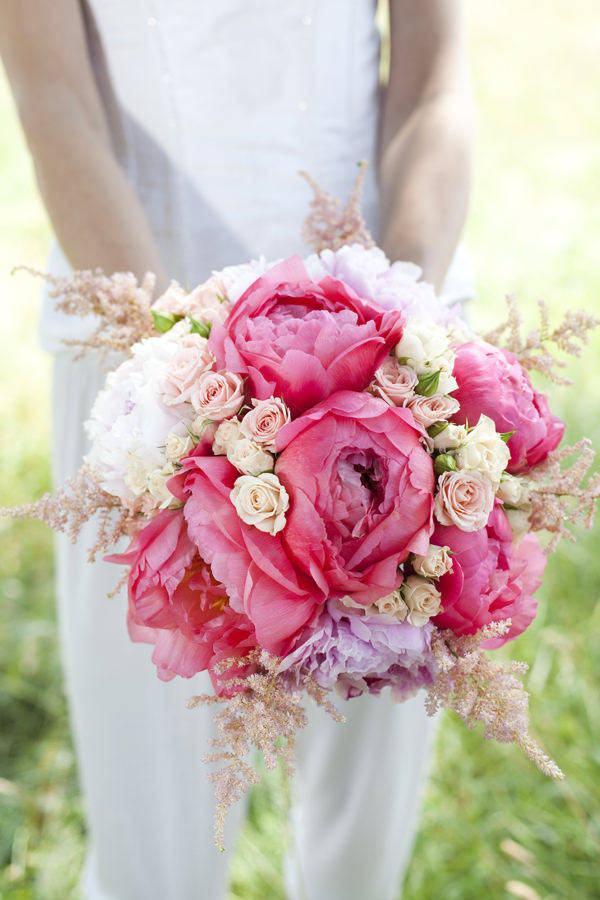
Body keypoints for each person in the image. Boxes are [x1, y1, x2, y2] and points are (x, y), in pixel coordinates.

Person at [0, 2, 473, 898]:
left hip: (388, 343)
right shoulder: (153, 376)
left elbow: (432, 85)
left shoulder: (400, 348)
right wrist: (179, 371)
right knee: (155, 809)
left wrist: (398, 335)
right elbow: (53, 94)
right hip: (135, 353)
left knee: (370, 795)